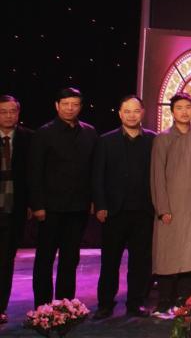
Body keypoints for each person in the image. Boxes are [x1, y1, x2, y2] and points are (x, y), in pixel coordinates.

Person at [30, 87, 98, 307]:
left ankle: (65, 306)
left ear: (80, 107)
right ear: (57, 106)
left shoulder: (89, 133)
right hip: (50, 208)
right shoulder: (44, 133)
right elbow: (35, 171)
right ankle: (42, 307)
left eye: (75, 104)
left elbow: (94, 170)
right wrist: (37, 205)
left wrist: (93, 201)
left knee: (70, 259)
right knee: (45, 259)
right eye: (66, 104)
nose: (70, 108)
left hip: (78, 208)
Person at [92, 96, 156, 319]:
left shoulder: (153, 140)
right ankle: (105, 304)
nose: (131, 115)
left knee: (140, 262)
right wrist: (100, 205)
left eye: (135, 111)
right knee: (110, 261)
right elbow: (97, 176)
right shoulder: (106, 141)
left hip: (144, 211)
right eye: (127, 111)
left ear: (142, 113)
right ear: (120, 114)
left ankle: (135, 303)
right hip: (114, 211)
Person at [150, 92, 191, 314]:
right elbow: (157, 176)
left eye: (188, 107)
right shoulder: (163, 138)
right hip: (170, 207)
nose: (184, 112)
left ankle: (185, 301)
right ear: (172, 112)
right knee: (167, 255)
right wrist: (162, 208)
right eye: (179, 108)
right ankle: (164, 301)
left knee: (190, 254)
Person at [0, 95, 32, 324]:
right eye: (3, 111)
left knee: (5, 261)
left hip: (13, 210)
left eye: (12, 111)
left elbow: (34, 175)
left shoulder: (29, 138)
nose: (8, 115)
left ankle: (1, 307)